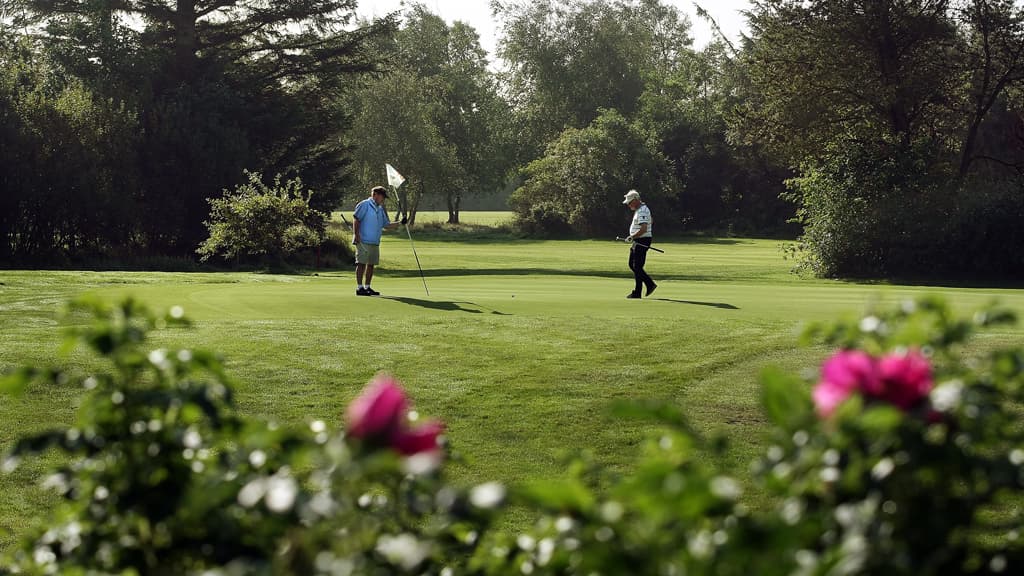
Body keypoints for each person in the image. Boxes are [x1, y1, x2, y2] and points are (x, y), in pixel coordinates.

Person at [353, 185, 406, 296]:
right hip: (363, 240)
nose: (383, 199)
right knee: (361, 263)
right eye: (382, 196)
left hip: (375, 241)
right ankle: (359, 288)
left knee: (371, 264)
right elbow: (356, 219)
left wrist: (400, 223)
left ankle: (367, 287)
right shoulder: (364, 205)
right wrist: (356, 234)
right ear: (375, 195)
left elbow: (386, 225)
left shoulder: (380, 209)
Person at [622, 189, 657, 299]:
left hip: (642, 240)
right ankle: (649, 284)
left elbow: (643, 228)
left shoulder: (642, 211)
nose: (628, 205)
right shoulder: (641, 210)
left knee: (637, 266)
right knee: (633, 265)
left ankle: (638, 292)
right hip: (639, 240)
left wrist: (632, 236)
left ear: (636, 200)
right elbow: (651, 220)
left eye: (630, 202)